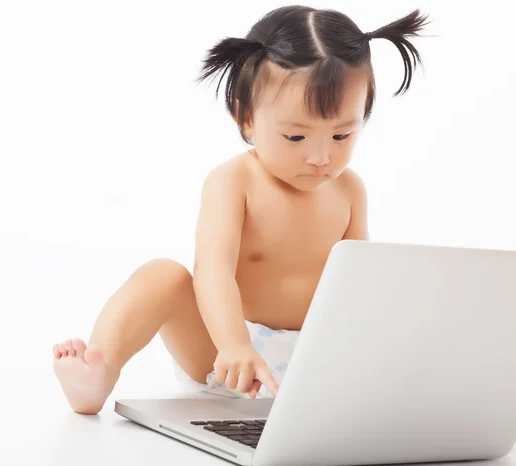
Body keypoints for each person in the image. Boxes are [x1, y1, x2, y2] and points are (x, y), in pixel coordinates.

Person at [52, 5, 429, 414]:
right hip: (227, 355)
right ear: (246, 117)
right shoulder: (235, 182)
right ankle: (99, 371)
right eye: (295, 136)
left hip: (313, 360)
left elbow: (358, 281)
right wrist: (233, 343)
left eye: (341, 134)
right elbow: (213, 269)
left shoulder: (350, 189)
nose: (321, 157)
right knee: (162, 275)